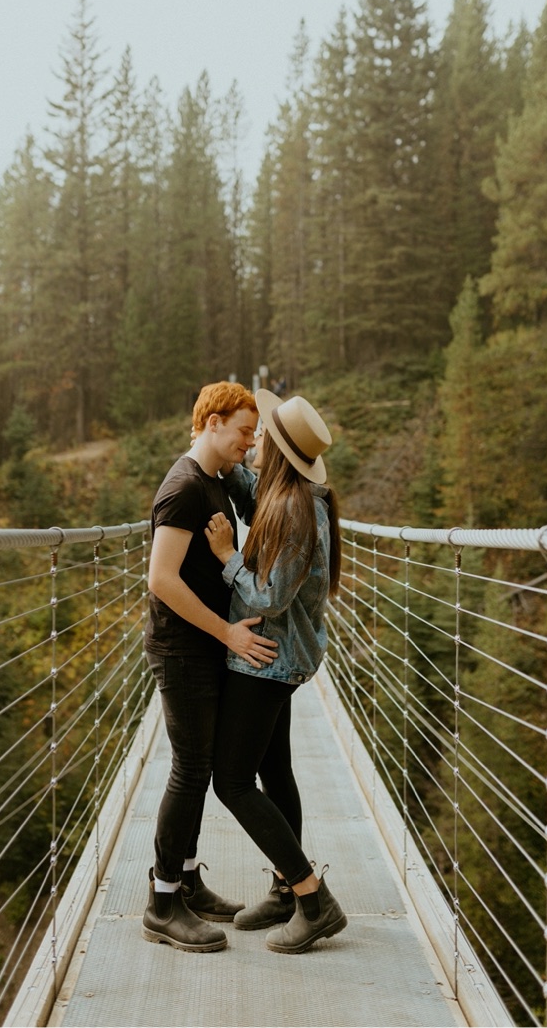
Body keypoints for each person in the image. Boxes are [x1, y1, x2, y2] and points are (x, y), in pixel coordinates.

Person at [204, 390, 348, 954]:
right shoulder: (287, 490)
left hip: (266, 657)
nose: (253, 440)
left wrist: (226, 557)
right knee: (275, 769)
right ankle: (287, 890)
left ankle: (314, 900)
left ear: (281, 452)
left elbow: (270, 594)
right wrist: (214, 447)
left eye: (260, 436)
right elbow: (247, 487)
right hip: (280, 657)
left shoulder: (291, 511)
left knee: (232, 781)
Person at [142, 383, 277, 953]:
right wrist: (225, 631)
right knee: (191, 769)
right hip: (183, 649)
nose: (251, 441)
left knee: (198, 767)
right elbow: (161, 579)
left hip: (206, 649)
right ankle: (162, 902)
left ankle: (189, 882)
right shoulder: (183, 489)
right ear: (214, 423)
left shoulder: (217, 481)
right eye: (246, 430)